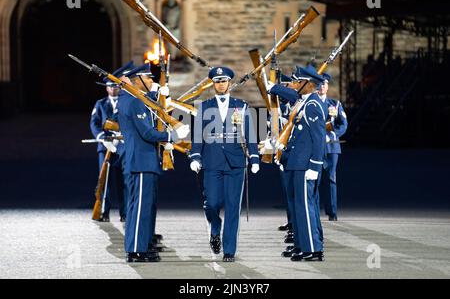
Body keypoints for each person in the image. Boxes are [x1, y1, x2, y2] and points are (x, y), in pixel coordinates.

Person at [117, 63, 189, 263]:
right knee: (140, 207)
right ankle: (136, 250)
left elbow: (150, 107)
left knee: (139, 206)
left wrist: (157, 96)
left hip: (141, 160)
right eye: (148, 78)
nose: (151, 81)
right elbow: (147, 132)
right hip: (141, 160)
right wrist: (172, 135)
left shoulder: (132, 99)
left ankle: (138, 245)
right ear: (137, 80)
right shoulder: (134, 102)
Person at [189, 67, 260, 262]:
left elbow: (250, 133)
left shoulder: (241, 106)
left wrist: (254, 158)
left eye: (223, 81)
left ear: (229, 83)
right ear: (213, 84)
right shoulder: (204, 106)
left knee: (232, 207)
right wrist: (195, 156)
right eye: (217, 81)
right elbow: (197, 135)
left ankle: (229, 250)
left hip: (235, 163)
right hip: (211, 162)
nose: (220, 84)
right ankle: (214, 227)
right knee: (211, 204)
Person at [268, 65, 327, 261]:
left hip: (305, 165)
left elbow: (318, 139)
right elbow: (295, 135)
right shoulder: (303, 103)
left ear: (307, 85)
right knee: (297, 208)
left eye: (296, 82)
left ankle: (313, 249)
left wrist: (315, 166)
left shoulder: (312, 105)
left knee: (305, 207)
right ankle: (302, 246)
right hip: (296, 162)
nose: (293, 85)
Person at [90, 61, 134, 222]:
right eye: (110, 86)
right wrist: (102, 137)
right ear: (106, 88)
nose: (113, 89)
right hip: (106, 147)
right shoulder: (101, 104)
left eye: (116, 86)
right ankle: (103, 211)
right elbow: (94, 123)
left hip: (122, 147)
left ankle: (125, 213)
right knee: (104, 181)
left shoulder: (126, 103)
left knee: (123, 182)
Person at [317, 73, 348, 221]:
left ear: (327, 86)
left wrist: (335, 133)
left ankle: (332, 212)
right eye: (319, 84)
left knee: (331, 178)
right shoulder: (312, 103)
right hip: (316, 146)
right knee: (314, 179)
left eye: (324, 84)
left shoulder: (335, 104)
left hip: (331, 147)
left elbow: (343, 123)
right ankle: (314, 210)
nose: (322, 87)